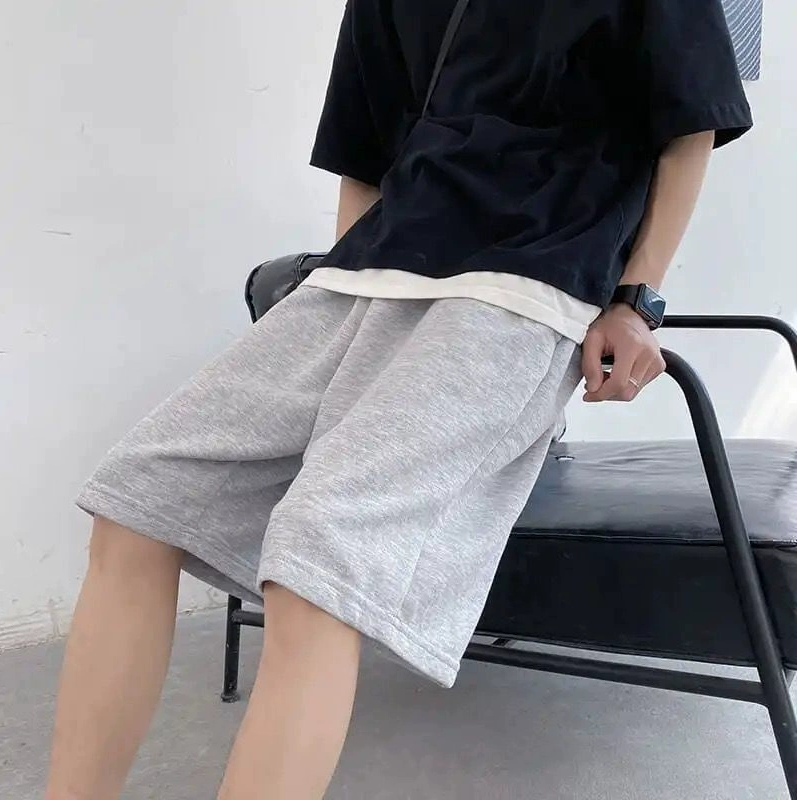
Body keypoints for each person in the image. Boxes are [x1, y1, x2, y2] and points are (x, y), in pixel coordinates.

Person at [44, 1, 752, 798]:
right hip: (366, 272)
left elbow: (689, 127)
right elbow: (366, 153)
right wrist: (343, 283)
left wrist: (637, 299)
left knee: (320, 551)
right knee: (138, 495)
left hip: (525, 286)